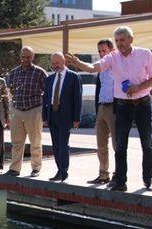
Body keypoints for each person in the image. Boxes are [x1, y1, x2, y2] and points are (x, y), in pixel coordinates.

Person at [67, 26, 152, 192]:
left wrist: (138, 87)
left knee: (147, 143)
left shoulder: (145, 54)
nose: (119, 44)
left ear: (131, 39)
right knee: (120, 145)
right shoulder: (112, 57)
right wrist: (78, 63)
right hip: (122, 105)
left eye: (122, 40)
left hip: (142, 103)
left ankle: (148, 179)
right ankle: (120, 182)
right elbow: (94, 67)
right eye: (117, 41)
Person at [6, 46, 47, 177]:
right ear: (20, 57)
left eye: (28, 57)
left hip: (33, 110)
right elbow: (9, 90)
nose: (25, 59)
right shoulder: (14, 72)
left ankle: (36, 168)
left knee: (35, 141)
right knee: (16, 142)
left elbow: (47, 91)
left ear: (32, 57)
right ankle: (15, 168)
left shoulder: (40, 72)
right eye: (23, 57)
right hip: (16, 110)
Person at [42, 52, 82, 182]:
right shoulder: (49, 79)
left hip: (66, 115)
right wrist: (45, 117)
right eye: (53, 64)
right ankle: (59, 169)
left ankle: (64, 171)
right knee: (56, 145)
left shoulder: (73, 77)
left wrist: (76, 119)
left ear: (64, 61)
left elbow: (77, 99)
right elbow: (46, 98)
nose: (55, 66)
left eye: (57, 63)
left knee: (63, 144)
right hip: (52, 114)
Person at [86, 39, 116, 185]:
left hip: (114, 108)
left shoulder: (118, 64)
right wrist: (97, 110)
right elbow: (99, 89)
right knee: (101, 145)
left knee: (118, 145)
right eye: (99, 51)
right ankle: (103, 175)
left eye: (104, 50)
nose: (101, 53)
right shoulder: (101, 69)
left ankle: (119, 175)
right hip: (102, 107)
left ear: (111, 50)